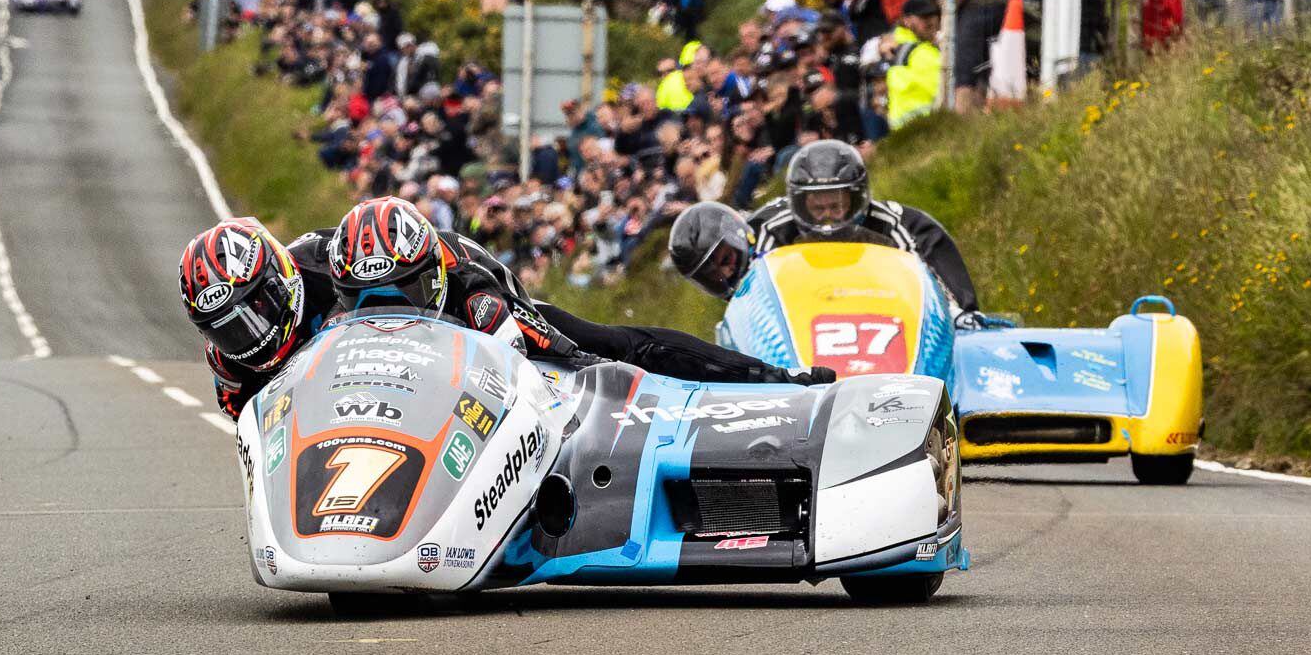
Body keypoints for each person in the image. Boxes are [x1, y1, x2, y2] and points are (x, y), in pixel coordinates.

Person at [330, 197, 828, 385]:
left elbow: (535, 350)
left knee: (618, 347)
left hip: (524, 326)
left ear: (433, 274)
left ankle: (777, 377)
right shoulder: (319, 259)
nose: (384, 309)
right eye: (361, 295)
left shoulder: (473, 293)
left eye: (402, 289)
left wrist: (589, 367)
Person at [746, 140, 979, 313]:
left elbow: (945, 293)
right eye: (818, 209)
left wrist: (958, 313)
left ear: (855, 199)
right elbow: (751, 295)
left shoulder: (897, 223)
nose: (828, 217)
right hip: (800, 316)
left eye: (836, 206)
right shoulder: (771, 228)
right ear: (800, 204)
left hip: (882, 312)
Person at [179, 218, 337, 420]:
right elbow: (250, 429)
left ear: (279, 279)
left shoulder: (329, 262)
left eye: (257, 307)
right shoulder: (227, 367)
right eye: (226, 330)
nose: (248, 335)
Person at [882, 0, 943, 129]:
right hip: (923, 128)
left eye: (933, 15)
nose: (930, 22)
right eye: (923, 17)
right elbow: (942, 89)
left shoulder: (902, 46)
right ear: (906, 21)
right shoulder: (919, 51)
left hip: (908, 129)